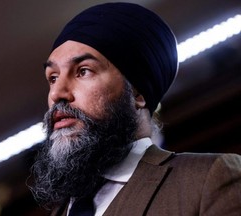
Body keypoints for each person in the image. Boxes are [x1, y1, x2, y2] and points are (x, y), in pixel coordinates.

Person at [28, 2, 241, 216]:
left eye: (83, 71)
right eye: (53, 78)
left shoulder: (206, 180)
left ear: (137, 92)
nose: (57, 94)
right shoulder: (61, 211)